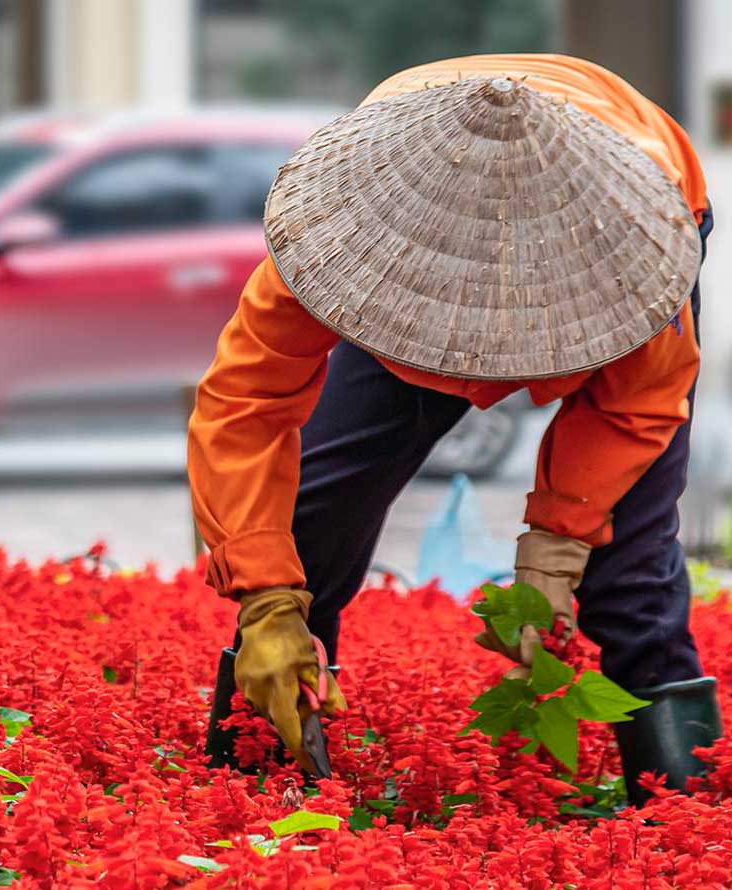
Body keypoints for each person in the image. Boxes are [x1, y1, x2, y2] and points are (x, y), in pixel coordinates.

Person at [189, 54, 717, 804]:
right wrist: (267, 599)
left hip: (609, 207)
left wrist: (558, 544)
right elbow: (246, 406)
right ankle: (267, 772)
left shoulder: (635, 251)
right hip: (412, 242)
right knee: (314, 513)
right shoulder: (340, 235)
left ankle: (684, 805)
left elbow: (636, 406)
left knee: (626, 561)